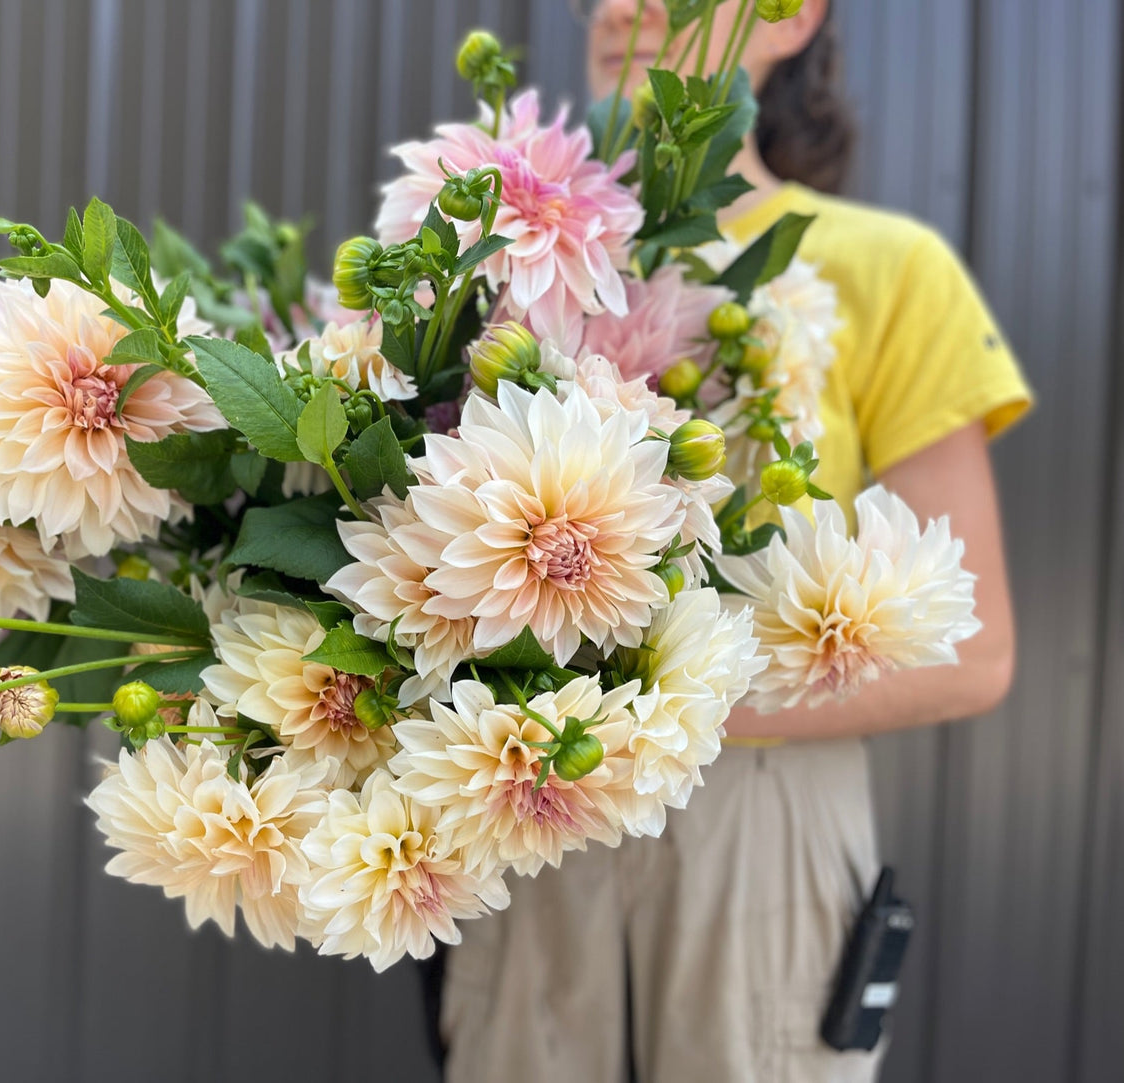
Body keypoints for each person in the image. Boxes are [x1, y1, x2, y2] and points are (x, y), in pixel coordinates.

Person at [432, 2, 1034, 1080]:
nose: (620, 8)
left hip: (760, 817)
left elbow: (974, 649)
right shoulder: (500, 262)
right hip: (524, 807)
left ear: (788, 17)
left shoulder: (884, 270)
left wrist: (656, 718)